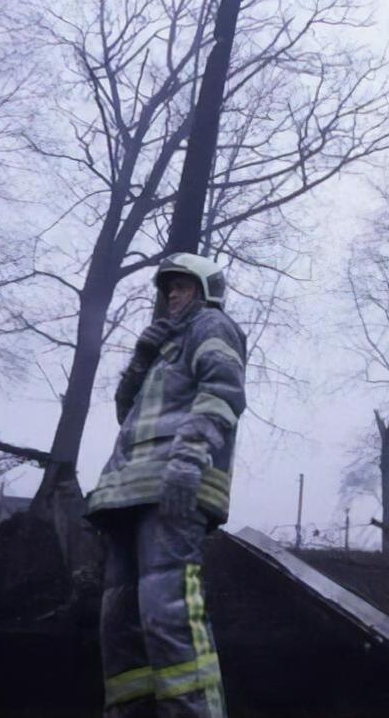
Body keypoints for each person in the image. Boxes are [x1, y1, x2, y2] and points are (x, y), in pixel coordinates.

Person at [86, 252, 246, 718]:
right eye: (169, 288)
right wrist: (140, 359)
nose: (173, 295)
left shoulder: (212, 326)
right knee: (120, 626)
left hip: (173, 488)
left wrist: (188, 460)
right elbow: (127, 413)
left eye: (183, 287)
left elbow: (223, 393)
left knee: (167, 613)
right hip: (128, 493)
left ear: (206, 291)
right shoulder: (163, 346)